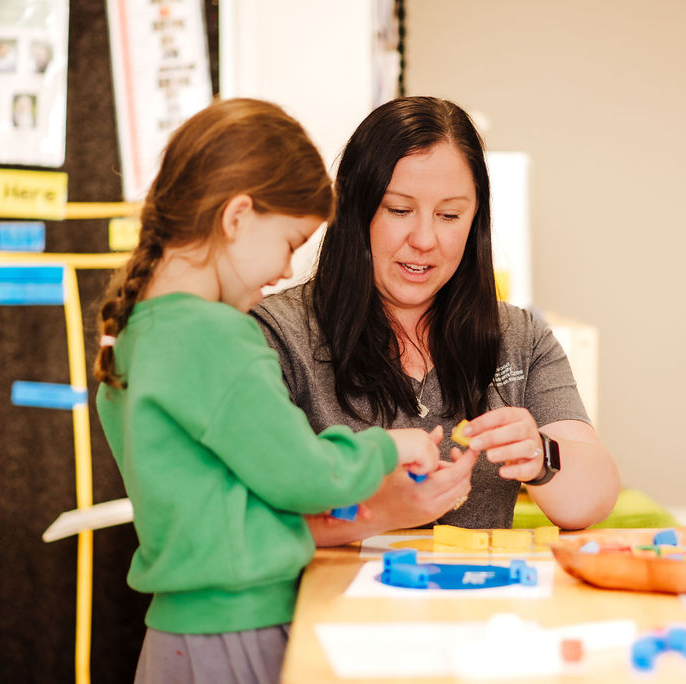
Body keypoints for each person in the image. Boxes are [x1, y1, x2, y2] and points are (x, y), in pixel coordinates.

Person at [93, 98, 440, 683]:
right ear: (237, 217)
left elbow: (228, 496)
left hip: (175, 636)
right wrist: (389, 446)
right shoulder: (214, 336)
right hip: (236, 630)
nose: (285, 271)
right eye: (288, 242)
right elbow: (302, 475)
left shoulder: (138, 333)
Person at [252, 96, 620, 546]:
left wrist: (542, 456)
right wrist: (384, 508)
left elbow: (593, 500)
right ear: (354, 211)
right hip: (334, 611)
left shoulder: (519, 338)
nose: (424, 239)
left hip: (476, 608)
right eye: (399, 210)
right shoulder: (276, 335)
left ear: (475, 221)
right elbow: (255, 518)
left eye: (449, 215)